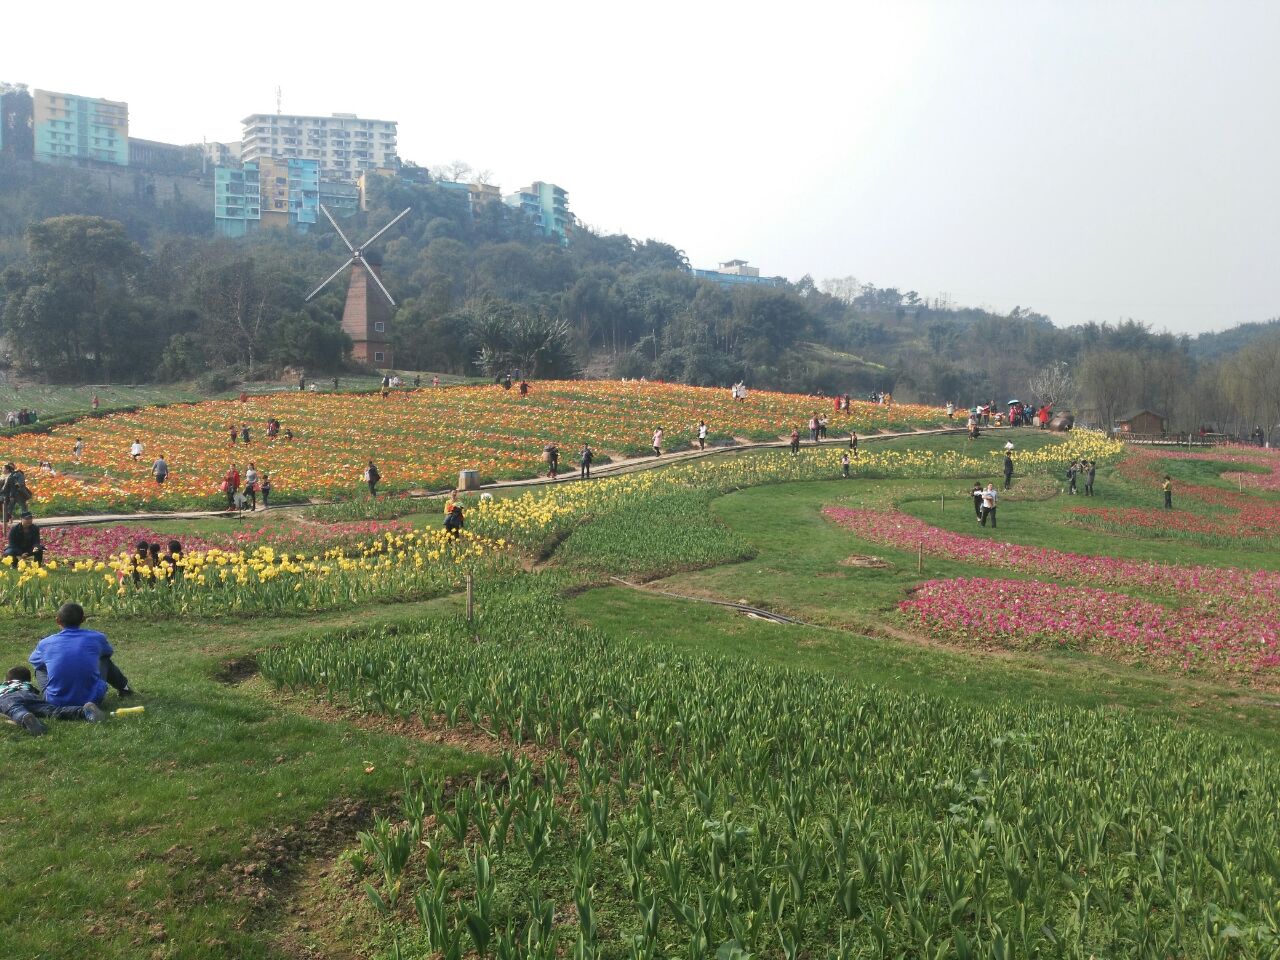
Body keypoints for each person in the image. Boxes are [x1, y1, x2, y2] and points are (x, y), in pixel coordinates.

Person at [29, 603, 132, 710]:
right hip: (94, 699)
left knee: (39, 668)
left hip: (55, 701)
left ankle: (53, 692)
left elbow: (34, 660)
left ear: (58, 620)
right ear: (83, 619)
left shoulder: (45, 643)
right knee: (103, 659)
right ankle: (124, 688)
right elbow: (107, 653)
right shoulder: (97, 638)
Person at [1, 666, 105, 735]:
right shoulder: (27, 685)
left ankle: (25, 718)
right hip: (30, 696)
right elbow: (36, 693)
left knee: (15, 709)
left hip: (8, 697)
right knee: (53, 710)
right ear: (28, 680)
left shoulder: (3, 686)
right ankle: (84, 711)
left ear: (6, 680)